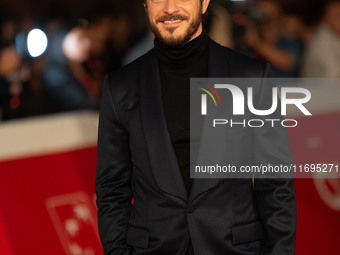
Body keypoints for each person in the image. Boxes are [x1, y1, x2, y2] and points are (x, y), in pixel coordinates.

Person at [95, 0, 296, 255]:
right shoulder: (119, 87)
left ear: (204, 4)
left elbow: (276, 184)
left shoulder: (252, 78)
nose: (170, 8)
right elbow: (112, 188)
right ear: (145, 5)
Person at [42, 20, 99, 114]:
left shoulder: (87, 65)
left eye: (87, 37)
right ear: (68, 35)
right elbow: (85, 103)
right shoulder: (54, 76)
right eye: (81, 38)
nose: (87, 44)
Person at [302, 0, 340, 78]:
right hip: (319, 88)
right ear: (325, 19)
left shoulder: (335, 35)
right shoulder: (322, 41)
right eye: (338, 15)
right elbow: (336, 78)